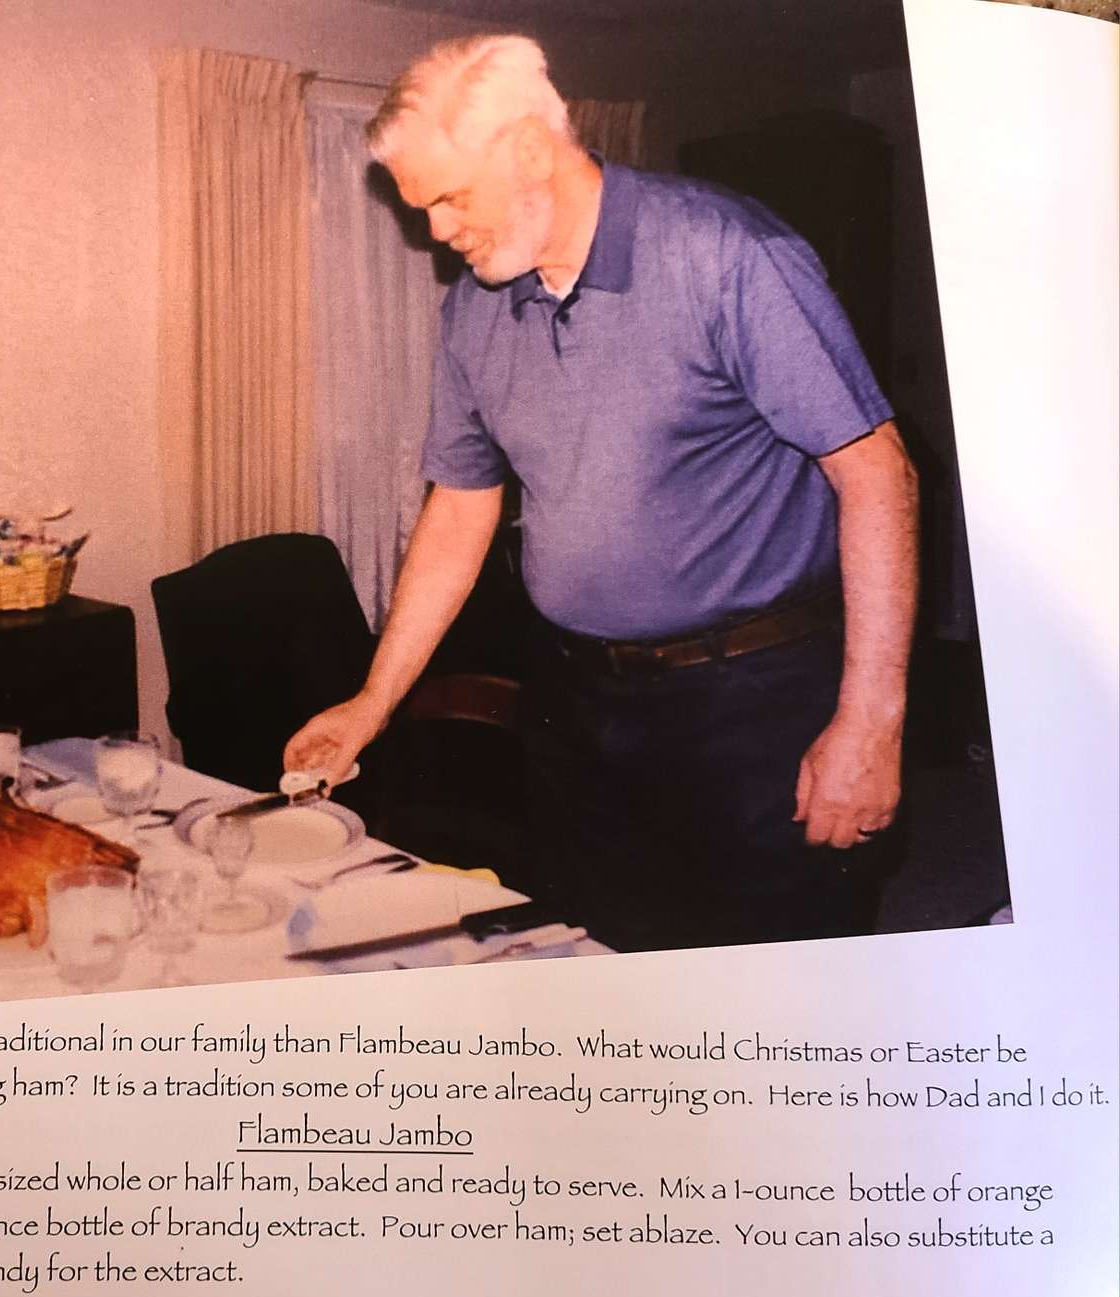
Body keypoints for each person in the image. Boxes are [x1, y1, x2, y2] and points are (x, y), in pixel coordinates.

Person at [284, 34, 918, 952]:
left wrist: (869, 723)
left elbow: (878, 474)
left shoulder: (727, 255)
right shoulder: (475, 308)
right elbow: (461, 509)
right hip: (579, 709)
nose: (436, 232)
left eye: (451, 198)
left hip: (756, 705)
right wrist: (370, 704)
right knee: (600, 970)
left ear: (532, 152)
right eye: (422, 208)